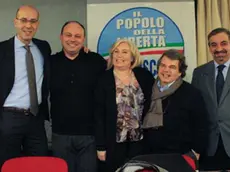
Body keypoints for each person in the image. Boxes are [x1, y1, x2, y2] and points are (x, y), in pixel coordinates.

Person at [50, 21, 106, 172]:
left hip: (89, 136)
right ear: (61, 37)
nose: (73, 39)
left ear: (83, 39)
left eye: (77, 36)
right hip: (60, 135)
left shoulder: (96, 61)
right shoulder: (50, 62)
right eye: (68, 35)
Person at [0, 5, 51, 166]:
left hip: (35, 119)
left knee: (39, 164)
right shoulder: (2, 49)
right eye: (23, 20)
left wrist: (83, 51)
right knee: (8, 165)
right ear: (15, 22)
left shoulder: (43, 47)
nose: (28, 26)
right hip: (9, 118)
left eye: (33, 21)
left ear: (38, 24)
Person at [94, 39, 154, 172]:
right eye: (116, 51)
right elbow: (98, 115)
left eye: (124, 52)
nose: (119, 55)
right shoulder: (103, 80)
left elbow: (152, 106)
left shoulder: (144, 76)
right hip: (113, 144)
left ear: (132, 57)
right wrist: (100, 146)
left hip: (140, 142)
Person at [142, 49, 208, 169]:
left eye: (172, 67)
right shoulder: (147, 89)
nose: (166, 70)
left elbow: (201, 125)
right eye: (163, 65)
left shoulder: (191, 93)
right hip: (149, 155)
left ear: (180, 72)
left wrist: (196, 152)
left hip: (179, 156)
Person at [192, 27, 230, 171]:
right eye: (214, 45)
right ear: (209, 48)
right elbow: (195, 110)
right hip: (209, 147)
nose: (219, 48)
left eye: (224, 43)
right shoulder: (199, 73)